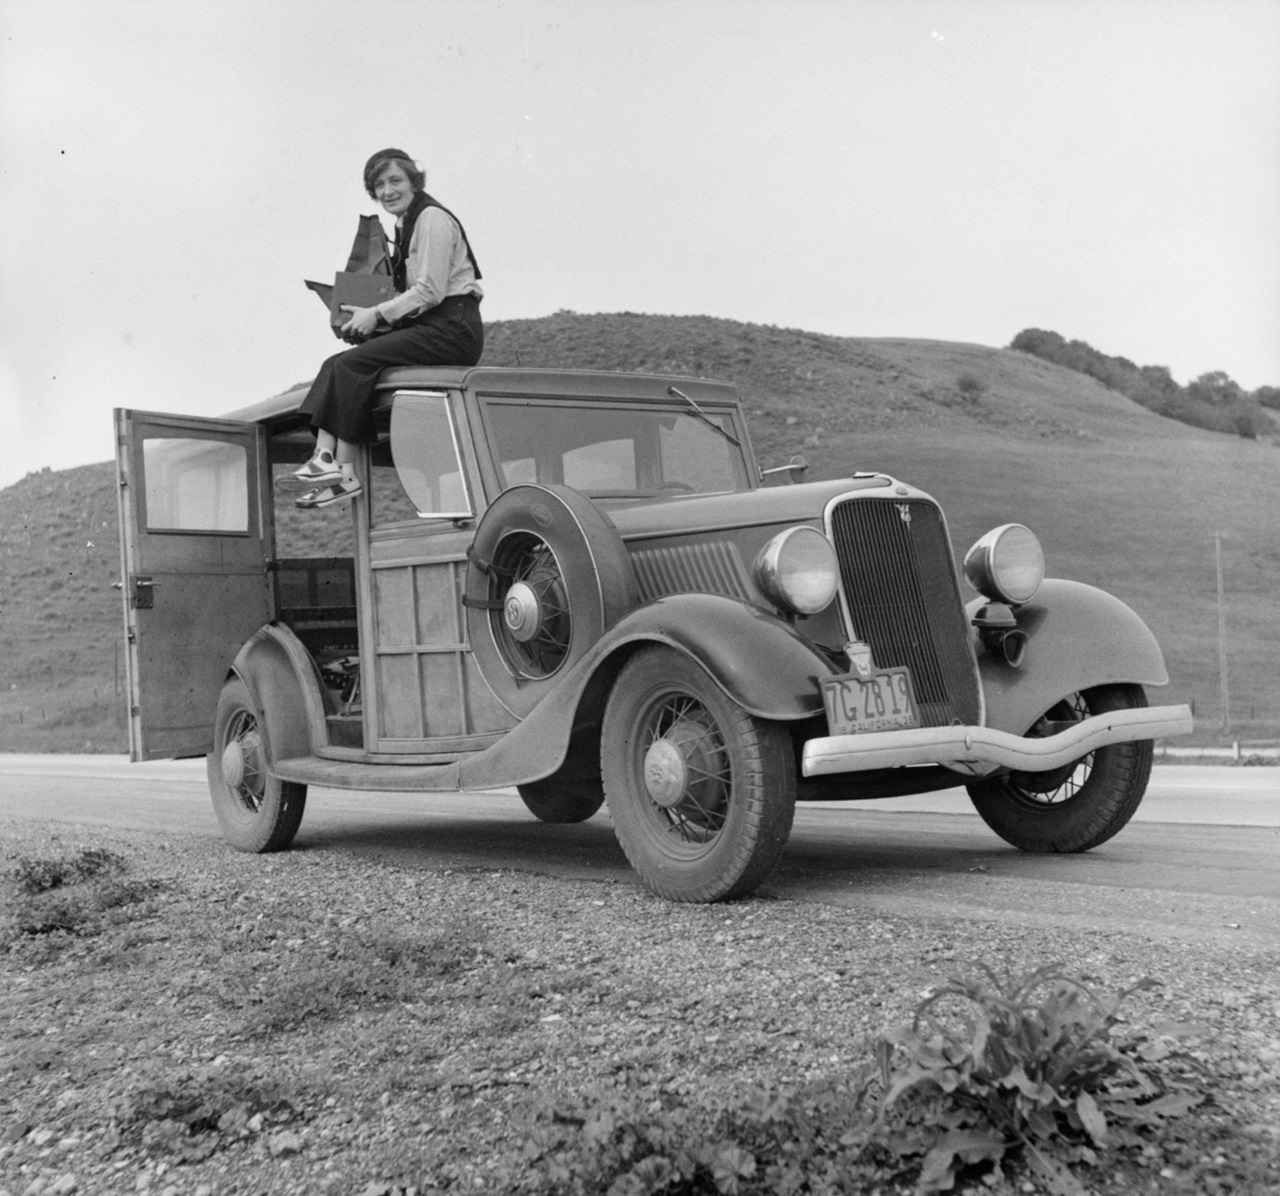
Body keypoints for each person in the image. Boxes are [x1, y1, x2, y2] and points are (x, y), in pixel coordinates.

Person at [294, 148, 484, 508]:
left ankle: (333, 467)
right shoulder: (404, 224)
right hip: (432, 323)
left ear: (413, 181)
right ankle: (333, 467)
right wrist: (364, 316)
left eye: (395, 180)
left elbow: (430, 290)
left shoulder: (431, 219)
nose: (387, 191)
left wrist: (376, 315)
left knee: (353, 365)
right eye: (378, 185)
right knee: (336, 364)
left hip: (453, 328)